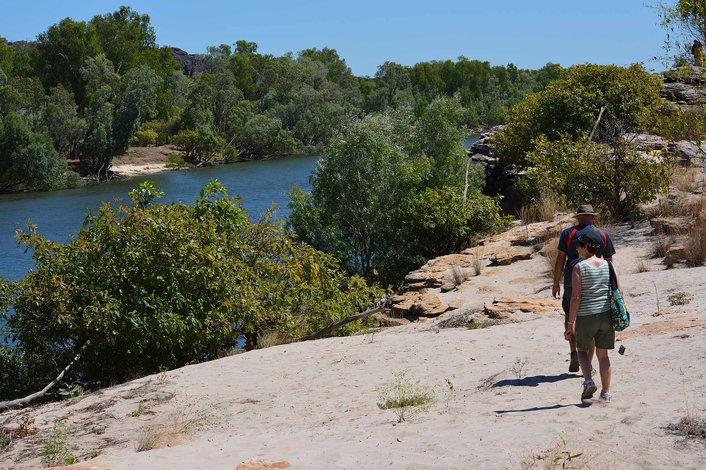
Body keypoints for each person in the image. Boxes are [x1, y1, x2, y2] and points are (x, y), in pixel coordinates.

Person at [552, 205, 616, 372]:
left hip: (573, 275)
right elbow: (609, 261)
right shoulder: (603, 234)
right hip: (597, 276)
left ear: (578, 217)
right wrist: (613, 285)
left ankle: (574, 352)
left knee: (570, 313)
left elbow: (560, 258)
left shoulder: (568, 233)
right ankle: (587, 362)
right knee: (593, 314)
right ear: (592, 217)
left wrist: (555, 281)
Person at [563, 232, 620, 402]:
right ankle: (606, 394)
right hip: (606, 315)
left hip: (586, 315)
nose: (576, 248)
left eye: (579, 245)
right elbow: (619, 291)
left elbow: (576, 298)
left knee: (581, 351)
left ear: (586, 247)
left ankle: (588, 382)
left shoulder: (579, 267)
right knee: (603, 355)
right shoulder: (609, 265)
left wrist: (570, 323)